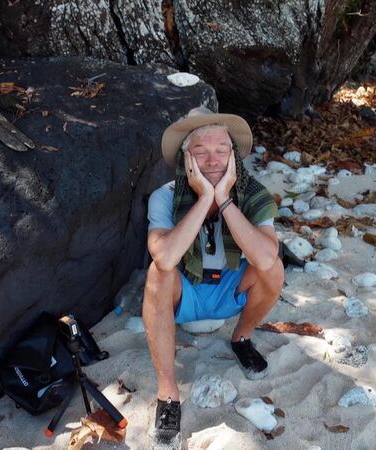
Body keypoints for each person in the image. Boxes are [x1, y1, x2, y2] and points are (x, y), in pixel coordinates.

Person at [143, 106, 284, 448]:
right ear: (185, 160)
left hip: (229, 289)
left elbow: (265, 257)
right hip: (186, 291)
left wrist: (223, 202)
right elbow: (165, 257)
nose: (212, 161)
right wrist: (204, 196)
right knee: (157, 273)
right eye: (200, 152)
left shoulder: (252, 194)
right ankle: (168, 394)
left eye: (221, 151)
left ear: (233, 157)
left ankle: (241, 338)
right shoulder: (164, 197)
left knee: (273, 268)